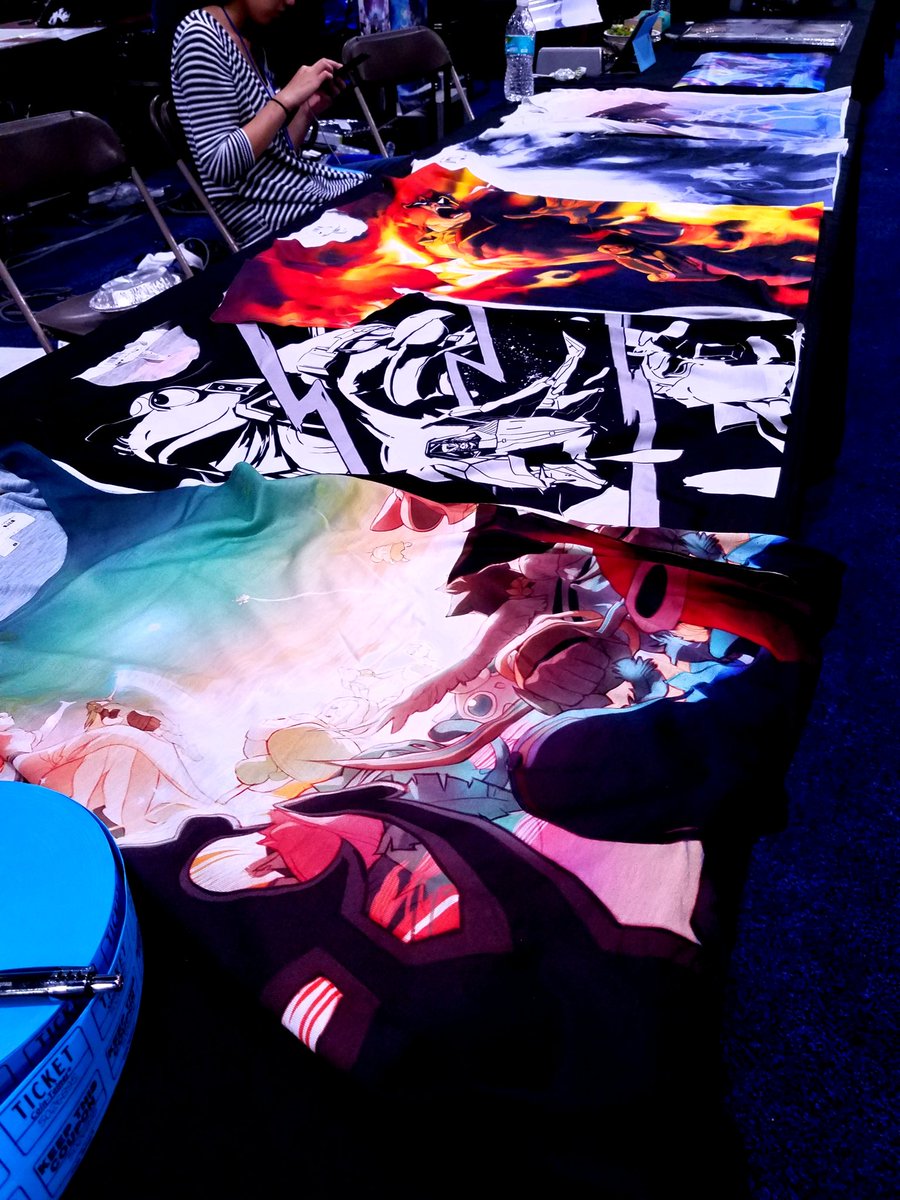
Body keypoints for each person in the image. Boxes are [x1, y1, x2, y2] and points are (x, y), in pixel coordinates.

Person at [170, 1, 368, 248]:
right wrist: (286, 98)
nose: (291, 1)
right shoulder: (199, 38)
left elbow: (277, 155)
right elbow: (220, 165)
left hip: (301, 192)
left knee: (402, 175)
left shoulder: (244, 38)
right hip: (274, 219)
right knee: (398, 185)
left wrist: (306, 111)